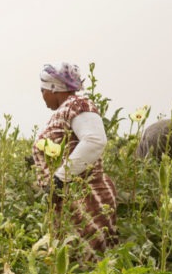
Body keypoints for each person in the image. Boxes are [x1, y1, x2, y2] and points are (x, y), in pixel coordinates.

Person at [31, 63, 118, 255]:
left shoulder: (78, 105)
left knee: (91, 263)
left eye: (43, 91)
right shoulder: (66, 109)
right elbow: (67, 146)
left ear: (54, 89)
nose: (42, 96)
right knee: (72, 261)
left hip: (87, 198)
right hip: (72, 200)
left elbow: (94, 141)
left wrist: (59, 178)